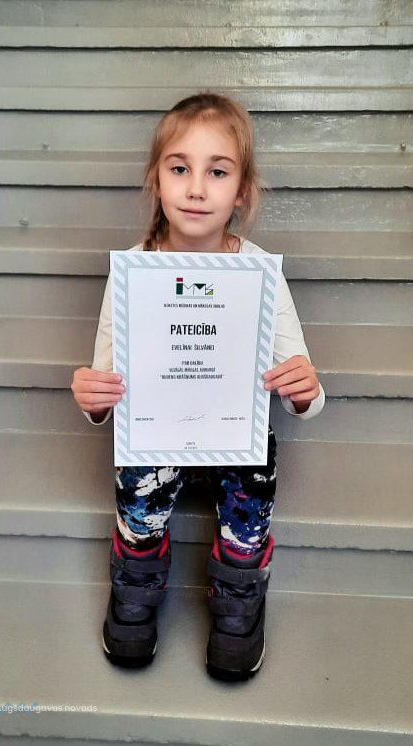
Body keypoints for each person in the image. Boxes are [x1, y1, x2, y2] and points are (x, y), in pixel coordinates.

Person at [71, 92, 325, 682]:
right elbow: (105, 380)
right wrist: (93, 401)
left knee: (258, 461)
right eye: (180, 168)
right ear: (156, 181)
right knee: (138, 467)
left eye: (217, 172)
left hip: (230, 436)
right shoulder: (133, 271)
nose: (196, 188)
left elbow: (305, 391)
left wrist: (304, 390)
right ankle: (137, 568)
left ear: (242, 191)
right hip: (160, 436)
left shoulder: (259, 274)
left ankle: (240, 581)